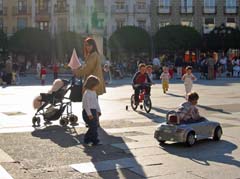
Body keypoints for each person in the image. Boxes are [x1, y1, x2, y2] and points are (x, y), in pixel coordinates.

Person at [82, 75, 101, 146]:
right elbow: (86, 105)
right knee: (93, 126)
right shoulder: (87, 93)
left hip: (94, 111)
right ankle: (91, 139)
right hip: (87, 112)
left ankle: (92, 139)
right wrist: (89, 114)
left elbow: (96, 102)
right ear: (91, 85)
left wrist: (98, 110)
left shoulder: (94, 92)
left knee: (95, 126)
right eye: (96, 86)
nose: (97, 87)